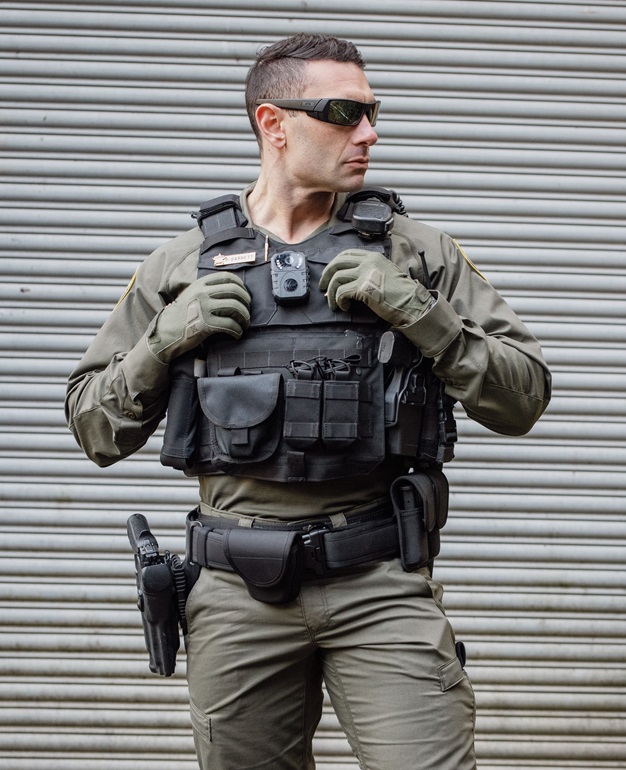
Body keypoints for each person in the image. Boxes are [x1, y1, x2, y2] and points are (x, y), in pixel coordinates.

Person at [65, 32, 551, 770]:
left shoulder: (416, 254)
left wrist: (421, 313)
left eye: (372, 113)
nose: (370, 133)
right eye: (344, 113)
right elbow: (95, 427)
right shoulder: (179, 266)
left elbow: (523, 400)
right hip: (234, 594)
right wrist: (163, 342)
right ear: (274, 123)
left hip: (380, 584)